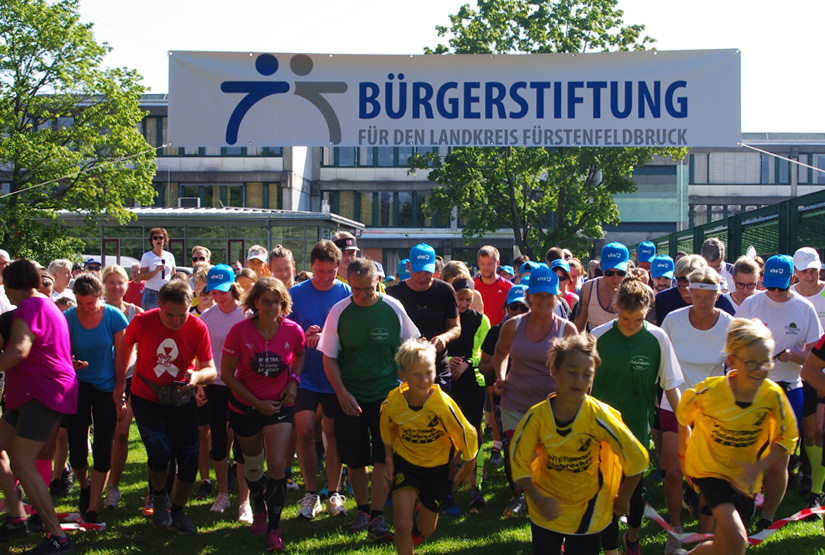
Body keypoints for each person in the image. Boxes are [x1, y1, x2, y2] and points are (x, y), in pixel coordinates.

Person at [511, 333, 649, 555]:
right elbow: (519, 461)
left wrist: (623, 498)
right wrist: (536, 498)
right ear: (554, 371)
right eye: (572, 372)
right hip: (547, 509)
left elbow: (638, 457)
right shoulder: (536, 417)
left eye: (587, 375)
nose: (579, 380)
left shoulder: (600, 416)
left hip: (589, 510)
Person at [678, 318, 799, 555]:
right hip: (710, 471)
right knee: (738, 539)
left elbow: (788, 438)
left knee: (724, 546)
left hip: (745, 481)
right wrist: (683, 455)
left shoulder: (772, 396)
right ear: (732, 361)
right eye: (752, 363)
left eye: (766, 362)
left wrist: (758, 466)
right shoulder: (710, 392)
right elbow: (683, 415)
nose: (760, 370)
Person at [319, 258, 420, 542]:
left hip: (387, 396)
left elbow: (411, 346)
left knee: (383, 457)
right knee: (354, 457)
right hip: (350, 395)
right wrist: (341, 392)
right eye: (355, 290)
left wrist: (405, 386)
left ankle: (377, 514)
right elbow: (328, 357)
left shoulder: (393, 308)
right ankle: (361, 511)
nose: (362, 295)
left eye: (367, 289)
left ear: (378, 282)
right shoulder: (339, 311)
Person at [590, 275, 684, 555]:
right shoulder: (598, 337)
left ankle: (632, 536)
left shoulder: (658, 338)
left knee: (633, 491)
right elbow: (582, 384)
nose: (632, 325)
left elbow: (671, 386)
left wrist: (686, 426)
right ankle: (608, 549)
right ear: (616, 306)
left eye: (638, 320)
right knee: (604, 490)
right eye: (626, 318)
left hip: (637, 429)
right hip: (601, 429)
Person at [114, 277, 216, 535]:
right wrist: (119, 383)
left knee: (190, 461)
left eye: (182, 315)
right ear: (159, 305)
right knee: (160, 456)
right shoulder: (143, 321)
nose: (176, 321)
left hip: (182, 399)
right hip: (146, 397)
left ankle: (179, 511)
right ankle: (160, 496)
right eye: (170, 316)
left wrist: (195, 378)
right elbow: (125, 345)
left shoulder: (197, 326)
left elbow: (210, 370)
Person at [738, 254, 823, 529]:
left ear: (793, 280)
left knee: (779, 460)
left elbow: (814, 353)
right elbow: (732, 342)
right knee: (749, 453)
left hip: (789, 389)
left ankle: (767, 516)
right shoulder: (752, 303)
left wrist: (794, 356)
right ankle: (747, 502)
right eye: (770, 286)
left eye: (781, 287)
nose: (774, 292)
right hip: (753, 389)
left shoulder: (805, 308)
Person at [221, 277, 305, 551]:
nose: (272, 307)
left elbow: (299, 355)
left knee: (278, 463)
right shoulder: (239, 332)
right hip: (245, 407)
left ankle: (274, 528)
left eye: (278, 302)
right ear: (255, 302)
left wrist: (293, 380)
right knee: (254, 465)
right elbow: (227, 375)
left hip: (279, 406)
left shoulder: (293, 331)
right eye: (266, 301)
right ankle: (259, 507)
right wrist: (256, 403)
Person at [0, 259, 77, 554]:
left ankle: (57, 538)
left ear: (14, 285)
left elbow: (20, 349)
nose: (6, 294)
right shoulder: (46, 304)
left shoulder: (30, 307)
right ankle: (18, 517)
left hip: (42, 393)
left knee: (22, 461)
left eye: (6, 288)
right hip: (32, 394)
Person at [380, 338, 479, 555]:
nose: (425, 380)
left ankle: (421, 511)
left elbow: (466, 432)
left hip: (436, 469)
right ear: (403, 376)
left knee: (426, 528)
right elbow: (387, 429)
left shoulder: (442, 404)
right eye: (417, 374)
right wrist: (389, 460)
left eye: (429, 372)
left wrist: (470, 462)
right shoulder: (393, 403)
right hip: (406, 464)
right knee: (402, 524)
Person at [660, 266, 735, 551]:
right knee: (673, 471)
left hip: (712, 408)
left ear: (718, 295)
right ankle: (675, 528)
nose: (703, 303)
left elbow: (734, 367)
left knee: (709, 476)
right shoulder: (672, 320)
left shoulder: (729, 323)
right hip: (673, 400)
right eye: (698, 296)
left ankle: (705, 536)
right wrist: (679, 404)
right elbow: (664, 364)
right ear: (689, 293)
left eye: (709, 297)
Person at [288, 240, 351, 520]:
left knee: (333, 434)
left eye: (331, 272)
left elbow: (351, 333)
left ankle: (334, 491)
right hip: (305, 375)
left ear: (338, 269)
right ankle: (310, 494)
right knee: (303, 431)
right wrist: (304, 335)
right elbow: (285, 334)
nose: (325, 277)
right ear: (311, 267)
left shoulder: (346, 291)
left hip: (335, 375)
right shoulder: (296, 293)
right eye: (320, 271)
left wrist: (324, 336)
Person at [63, 273, 129, 524]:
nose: (85, 308)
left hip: (106, 386)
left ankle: (92, 508)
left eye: (90, 303)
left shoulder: (113, 316)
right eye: (80, 303)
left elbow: (123, 354)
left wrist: (120, 387)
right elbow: (61, 352)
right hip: (77, 385)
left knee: (103, 445)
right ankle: (84, 484)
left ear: (100, 297)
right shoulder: (68, 318)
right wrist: (70, 362)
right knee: (77, 448)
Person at [492, 266, 577, 436]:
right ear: (529, 296)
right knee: (518, 459)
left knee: (545, 461)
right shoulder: (512, 325)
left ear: (557, 297)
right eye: (538, 295)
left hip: (553, 410)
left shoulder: (567, 330)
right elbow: (501, 353)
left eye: (549, 296)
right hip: (514, 406)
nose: (543, 300)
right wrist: (501, 377)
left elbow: (579, 369)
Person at [200, 264, 252, 521]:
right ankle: (223, 493)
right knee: (219, 441)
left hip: (243, 385)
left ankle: (245, 500)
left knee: (244, 441)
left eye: (222, 291)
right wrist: (200, 384)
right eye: (214, 292)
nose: (219, 297)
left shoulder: (248, 315)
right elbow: (201, 355)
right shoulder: (207, 317)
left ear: (233, 287)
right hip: (217, 385)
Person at [444, 277, 490, 513]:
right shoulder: (445, 317)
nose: (463, 304)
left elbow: (485, 350)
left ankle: (476, 485)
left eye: (467, 299)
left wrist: (468, 363)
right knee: (449, 433)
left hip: (472, 380)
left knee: (474, 432)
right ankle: (447, 484)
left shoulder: (481, 319)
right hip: (447, 378)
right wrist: (448, 361)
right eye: (459, 299)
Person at [387, 244, 460, 392]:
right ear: (408, 266)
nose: (422, 277)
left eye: (427, 271)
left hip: (437, 367)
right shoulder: (393, 294)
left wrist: (444, 338)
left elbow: (456, 327)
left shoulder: (445, 290)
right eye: (417, 270)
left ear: (434, 267)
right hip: (404, 367)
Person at [100, 265, 144, 511]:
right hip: (102, 378)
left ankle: (113, 487)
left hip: (129, 378)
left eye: (120, 282)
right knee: (106, 434)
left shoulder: (136, 313)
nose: (116, 287)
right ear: (103, 284)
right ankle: (97, 481)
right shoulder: (95, 311)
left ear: (127, 285)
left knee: (121, 433)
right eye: (111, 282)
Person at [792, 247, 825, 505]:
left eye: (814, 269)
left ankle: (816, 489)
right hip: (800, 372)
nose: (811, 275)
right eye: (805, 271)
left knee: (817, 430)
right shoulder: (788, 296)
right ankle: (807, 474)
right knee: (807, 430)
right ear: (796, 273)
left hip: (819, 371)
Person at [655, 255, 735, 326]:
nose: (688, 292)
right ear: (676, 281)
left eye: (694, 287)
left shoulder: (719, 300)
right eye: (683, 285)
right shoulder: (662, 300)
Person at [575, 242, 630, 332]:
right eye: (609, 273)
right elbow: (578, 328)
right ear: (600, 266)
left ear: (628, 267)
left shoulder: (639, 292)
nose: (615, 278)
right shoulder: (588, 288)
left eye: (621, 273)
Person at [137, 227, 176, 310]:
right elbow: (141, 276)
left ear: (164, 240)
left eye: (161, 238)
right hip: (152, 294)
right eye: (155, 238)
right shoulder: (147, 256)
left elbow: (174, 275)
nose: (158, 240)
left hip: (167, 294)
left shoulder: (169, 256)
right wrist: (156, 271)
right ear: (152, 241)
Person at [474, 245, 512, 326]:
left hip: (499, 334)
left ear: (497, 263)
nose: (486, 267)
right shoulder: (471, 285)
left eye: (489, 264)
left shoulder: (509, 288)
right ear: (478, 263)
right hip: (477, 334)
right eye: (483, 264)